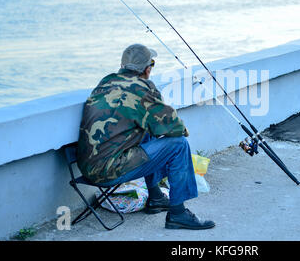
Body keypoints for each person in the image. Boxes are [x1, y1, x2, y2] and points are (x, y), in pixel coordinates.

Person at [76, 43, 215, 230]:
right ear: (147, 69)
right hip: (107, 171)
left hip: (87, 167)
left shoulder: (106, 82)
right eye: (152, 64)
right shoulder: (142, 88)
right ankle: (178, 214)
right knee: (178, 144)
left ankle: (156, 197)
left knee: (147, 130)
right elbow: (174, 127)